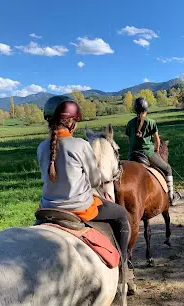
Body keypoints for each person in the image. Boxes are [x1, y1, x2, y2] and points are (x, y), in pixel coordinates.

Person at [37, 95, 130, 266]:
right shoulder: (80, 145)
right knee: (121, 215)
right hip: (79, 208)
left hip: (47, 208)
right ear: (70, 122)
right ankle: (124, 264)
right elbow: (95, 181)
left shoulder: (41, 147)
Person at [126, 97, 180, 206]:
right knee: (168, 169)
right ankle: (171, 196)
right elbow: (157, 140)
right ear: (146, 109)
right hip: (147, 153)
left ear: (135, 110)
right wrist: (155, 149)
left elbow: (129, 140)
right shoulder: (151, 122)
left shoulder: (129, 123)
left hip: (132, 155)